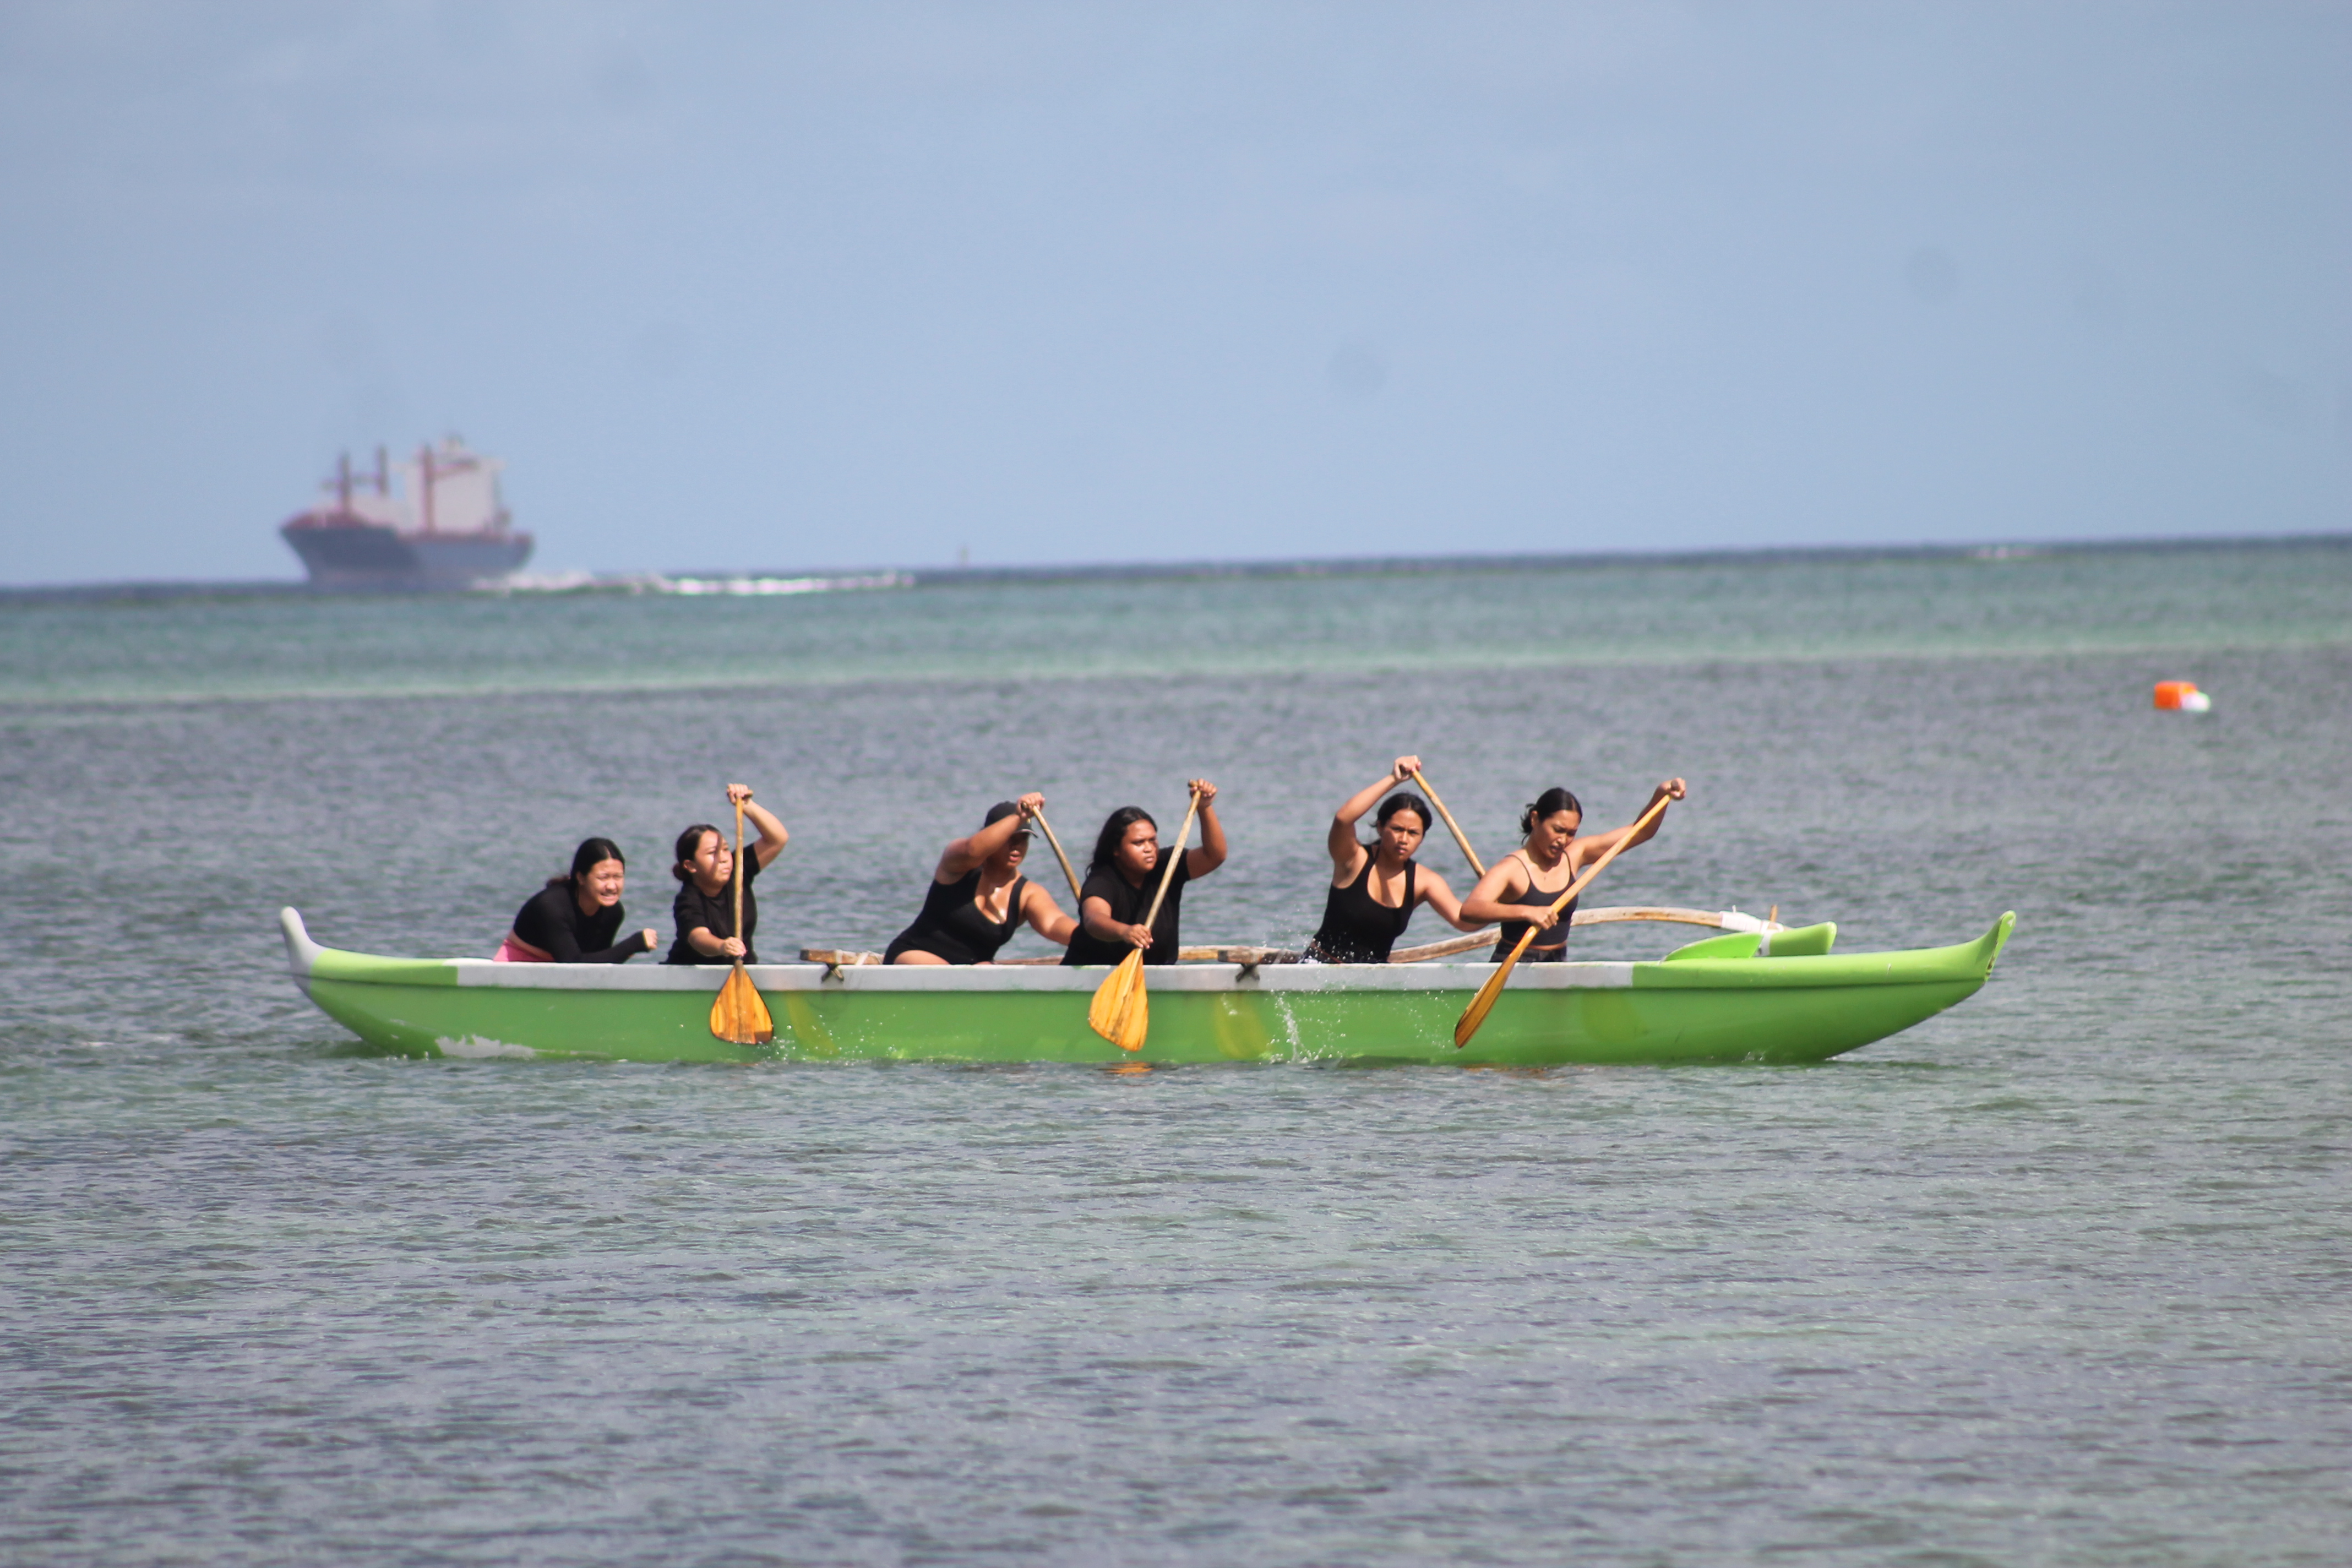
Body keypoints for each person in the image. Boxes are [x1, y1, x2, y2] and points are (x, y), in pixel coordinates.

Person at [1459, 778, 1688, 962]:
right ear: (1536, 820)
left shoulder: (1574, 855)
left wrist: (1662, 795)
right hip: (1512, 965)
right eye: (1558, 830)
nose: (1563, 840)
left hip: (1557, 963)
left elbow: (1641, 832)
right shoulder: (1512, 868)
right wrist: (1527, 912)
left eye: (1571, 833)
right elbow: (1471, 909)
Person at [1304, 755, 1479, 963]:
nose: (1404, 839)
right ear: (1380, 827)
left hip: (1374, 975)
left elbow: (1464, 921)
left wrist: (1505, 906)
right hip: (1320, 965)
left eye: (1413, 833)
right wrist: (1393, 779)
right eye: (1397, 829)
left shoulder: (1425, 882)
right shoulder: (1353, 859)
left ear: (1422, 838)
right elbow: (1344, 819)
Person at [883, 792, 1077, 965]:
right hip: (914, 955)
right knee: (960, 973)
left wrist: (1089, 937)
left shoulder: (1028, 893)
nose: (1016, 847)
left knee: (983, 970)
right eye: (1010, 838)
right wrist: (1020, 817)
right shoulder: (957, 863)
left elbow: (1054, 922)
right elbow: (973, 850)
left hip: (971, 974)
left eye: (1023, 839)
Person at [1060, 782, 1227, 966]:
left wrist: (1205, 807)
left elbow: (1214, 856)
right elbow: (1094, 919)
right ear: (1116, 849)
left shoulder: (1168, 866)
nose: (1149, 849)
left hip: (1156, 971)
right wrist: (1124, 932)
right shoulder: (1103, 879)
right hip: (1097, 971)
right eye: (1138, 843)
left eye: (1152, 840)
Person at [667, 785, 790, 966]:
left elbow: (777, 839)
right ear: (691, 866)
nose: (724, 858)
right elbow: (698, 938)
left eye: (725, 849)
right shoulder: (688, 899)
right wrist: (722, 946)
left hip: (743, 970)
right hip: (692, 973)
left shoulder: (738, 871)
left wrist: (747, 805)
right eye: (712, 853)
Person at [496, 836, 658, 963]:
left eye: (618, 877)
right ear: (581, 877)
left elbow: (599, 962)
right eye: (603, 877)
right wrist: (633, 945)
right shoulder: (551, 906)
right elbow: (572, 963)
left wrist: (627, 950)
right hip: (517, 969)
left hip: (563, 974)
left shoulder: (613, 912)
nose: (611, 886)